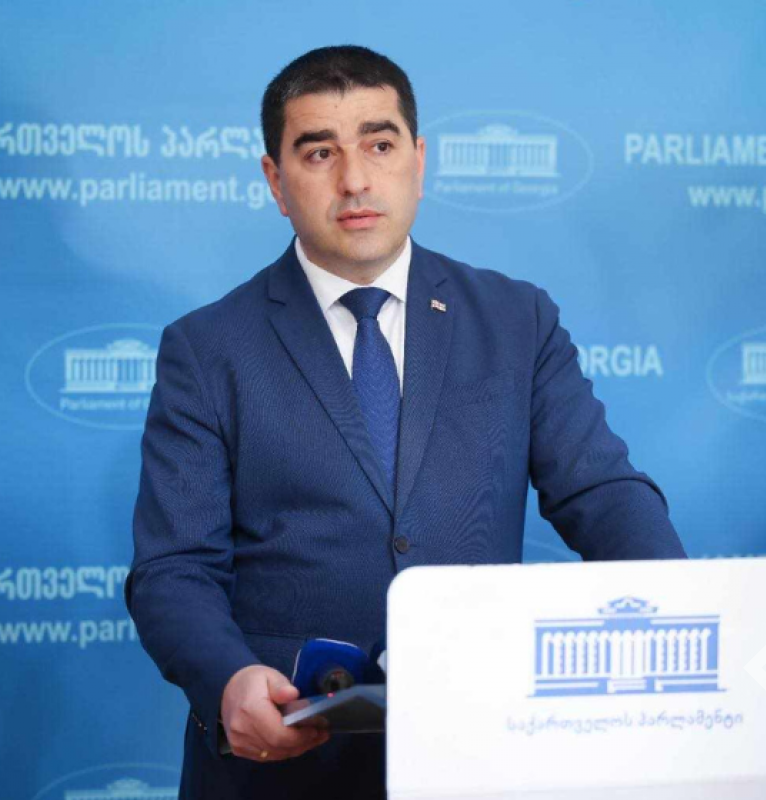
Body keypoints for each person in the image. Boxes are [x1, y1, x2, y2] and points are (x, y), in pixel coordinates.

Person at [126, 45, 687, 800]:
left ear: (419, 162)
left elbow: (603, 495)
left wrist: (684, 616)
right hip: (283, 768)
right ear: (275, 181)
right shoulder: (206, 349)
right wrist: (228, 679)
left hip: (482, 753)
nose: (355, 180)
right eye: (319, 153)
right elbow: (174, 569)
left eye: (380, 146)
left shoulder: (516, 320)